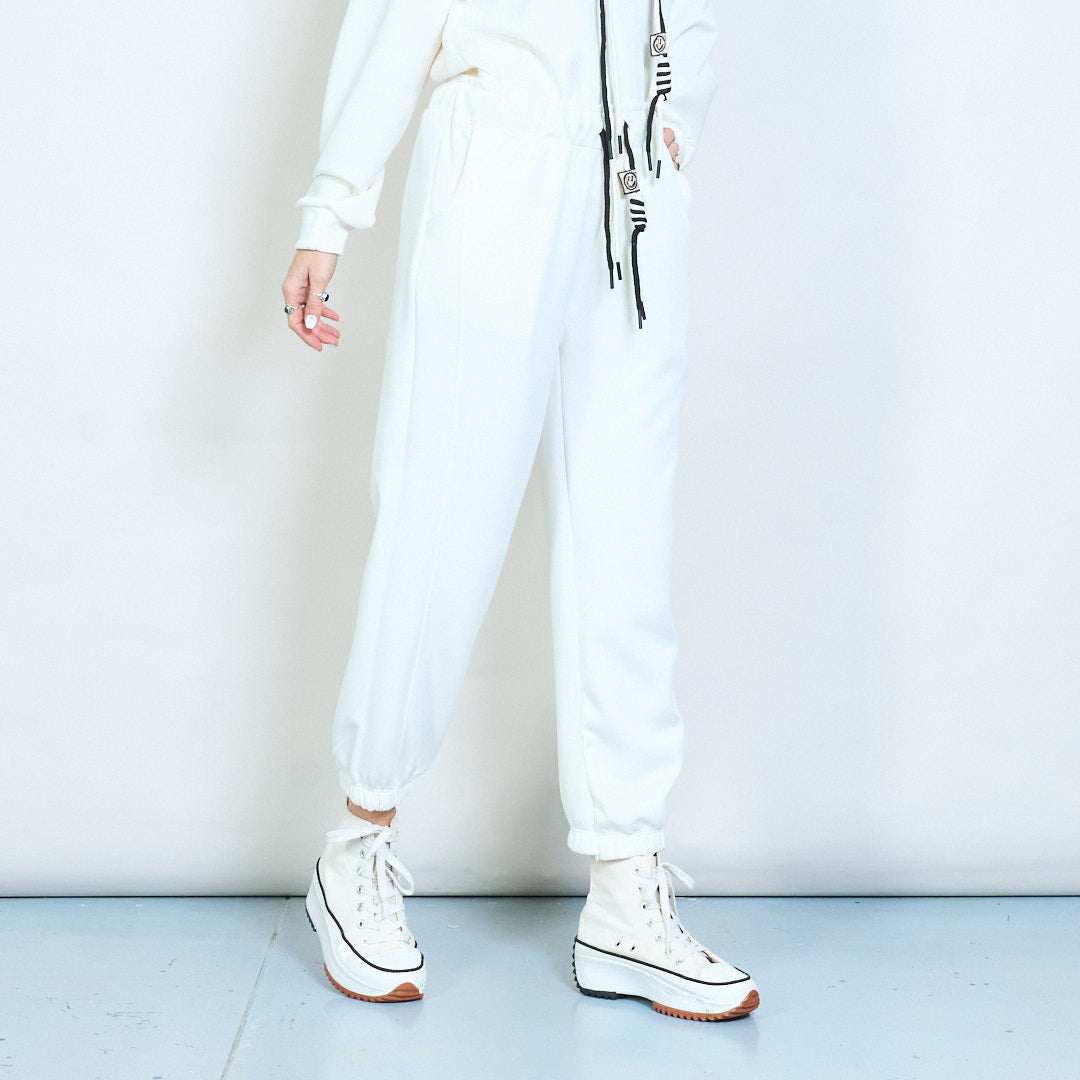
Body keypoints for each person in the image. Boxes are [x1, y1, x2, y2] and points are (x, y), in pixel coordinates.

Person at [281, 0, 759, 1022]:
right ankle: (358, 842)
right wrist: (332, 204)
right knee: (441, 513)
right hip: (498, 159)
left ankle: (626, 885)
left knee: (626, 545)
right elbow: (395, 16)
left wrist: (679, 114)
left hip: (635, 187)